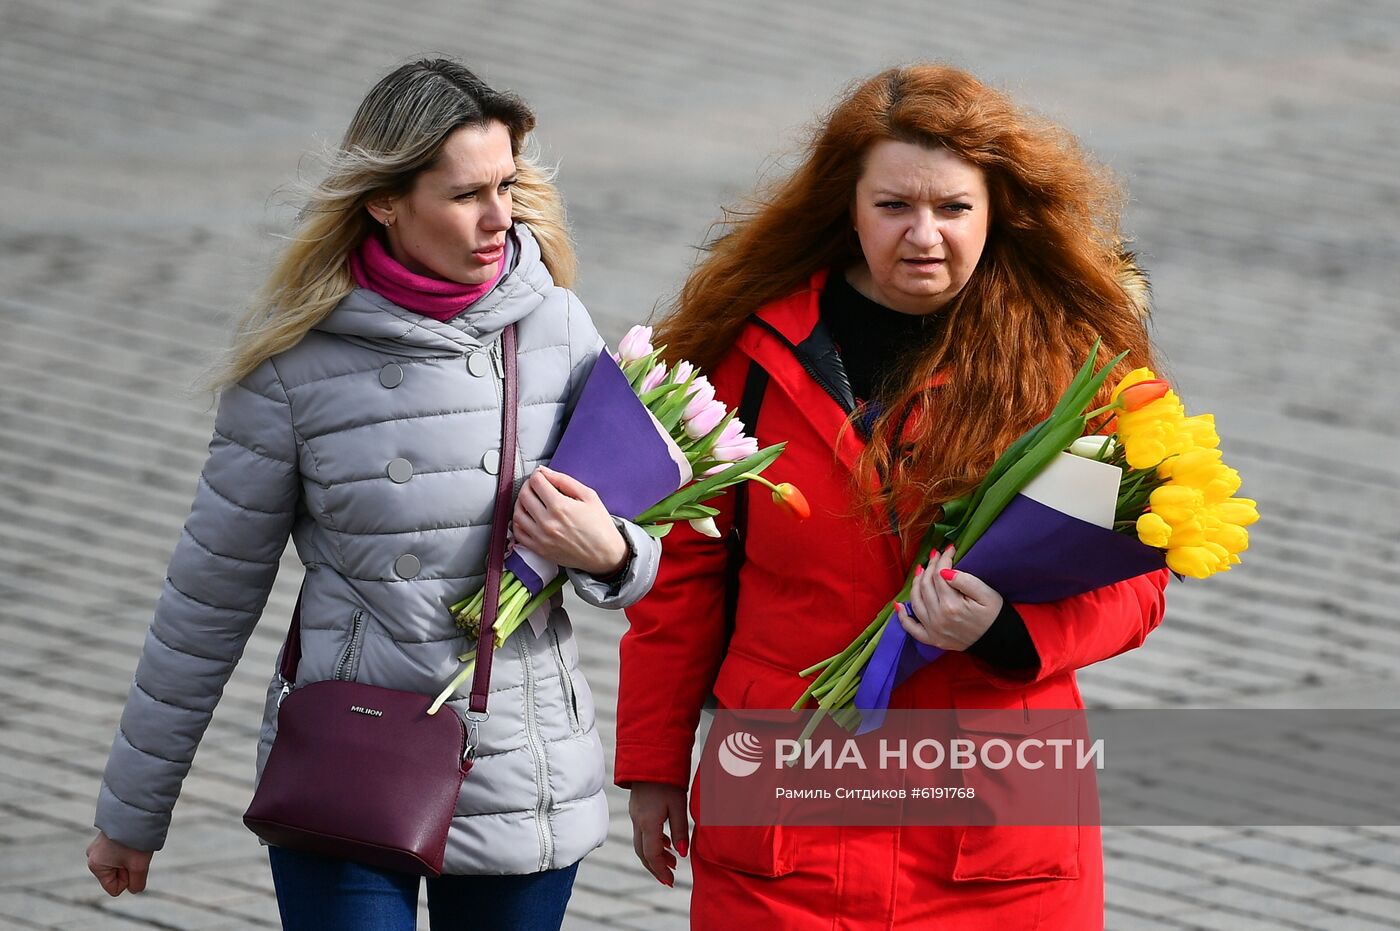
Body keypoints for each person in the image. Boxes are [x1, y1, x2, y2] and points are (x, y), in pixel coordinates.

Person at [85, 58, 660, 930]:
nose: (500, 217)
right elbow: (207, 597)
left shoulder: (555, 325)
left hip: (518, 763)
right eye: (466, 194)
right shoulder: (293, 366)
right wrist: (134, 809)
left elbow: (636, 536)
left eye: (507, 184)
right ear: (385, 201)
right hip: (350, 758)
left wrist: (611, 552)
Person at [616, 64, 1170, 928]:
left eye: (953, 208)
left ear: (997, 210)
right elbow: (684, 576)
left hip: (994, 844)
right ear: (848, 206)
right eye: (894, 207)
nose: (925, 235)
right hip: (784, 826)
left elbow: (1137, 581)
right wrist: (653, 766)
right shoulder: (747, 358)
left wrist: (1007, 630)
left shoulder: (1069, 365)